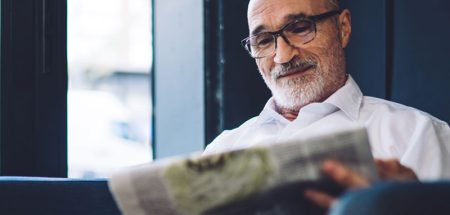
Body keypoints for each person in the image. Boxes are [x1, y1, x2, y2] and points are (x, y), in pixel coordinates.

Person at [204, 0, 450, 209]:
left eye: (300, 28)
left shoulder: (418, 133)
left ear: (342, 28)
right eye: (265, 41)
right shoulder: (221, 150)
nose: (282, 56)